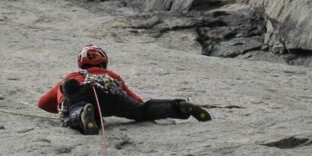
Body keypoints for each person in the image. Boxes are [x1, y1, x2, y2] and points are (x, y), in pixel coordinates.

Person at [38, 45, 212, 134]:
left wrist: (63, 101)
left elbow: (43, 103)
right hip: (112, 96)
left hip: (84, 94)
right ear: (103, 62)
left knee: (74, 107)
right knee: (141, 111)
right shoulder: (111, 75)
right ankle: (177, 106)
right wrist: (141, 107)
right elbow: (136, 101)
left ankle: (83, 114)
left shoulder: (74, 75)